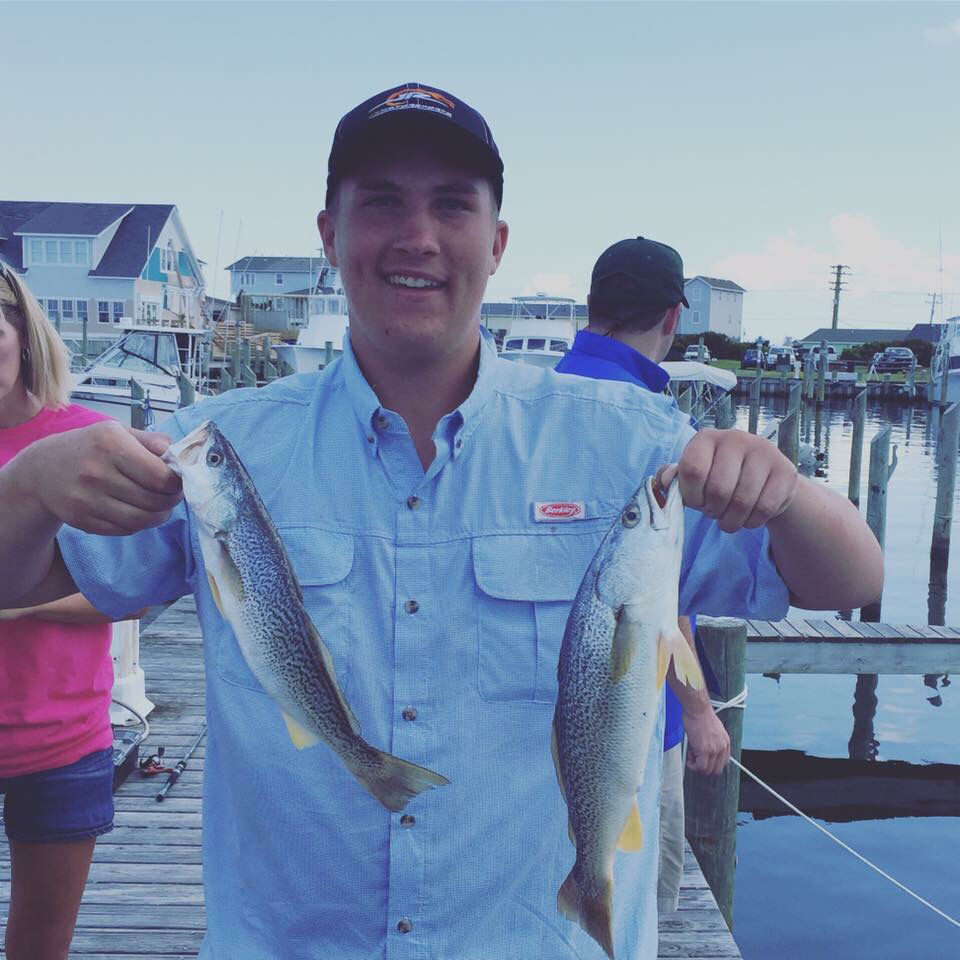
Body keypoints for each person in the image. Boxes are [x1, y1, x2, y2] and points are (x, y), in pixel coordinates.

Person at [0, 83, 883, 960]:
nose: (417, 235)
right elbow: (23, 578)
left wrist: (788, 494)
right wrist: (30, 484)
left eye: (453, 204)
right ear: (330, 235)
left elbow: (850, 580)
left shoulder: (632, 444)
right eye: (381, 202)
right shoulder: (220, 445)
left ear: (496, 244)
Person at [554, 236, 730, 914]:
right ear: (673, 317)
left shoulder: (523, 411)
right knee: (639, 903)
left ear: (591, 305)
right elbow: (658, 597)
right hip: (634, 730)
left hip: (535, 728)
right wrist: (700, 711)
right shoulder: (660, 432)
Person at [0, 264, 121, 960]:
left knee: (41, 945)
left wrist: (16, 609)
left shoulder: (90, 443)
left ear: (22, 332)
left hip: (62, 741)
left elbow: (130, 589)